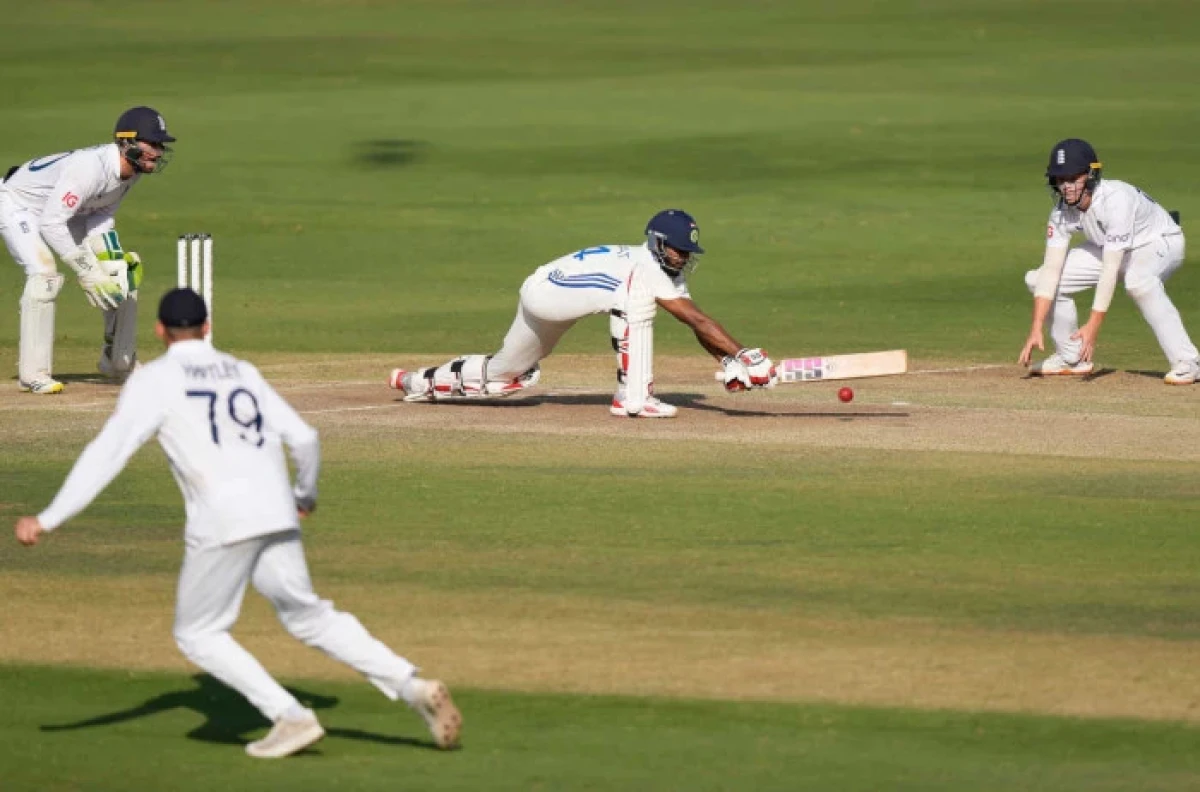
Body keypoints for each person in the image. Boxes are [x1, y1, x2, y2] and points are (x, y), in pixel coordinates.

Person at [14, 288, 462, 759]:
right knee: (309, 615)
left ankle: (290, 717)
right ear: (206, 326)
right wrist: (303, 496)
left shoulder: (154, 381)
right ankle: (412, 687)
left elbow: (108, 455)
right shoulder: (242, 371)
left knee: (198, 633)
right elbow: (305, 438)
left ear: (160, 331)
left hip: (222, 517)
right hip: (275, 508)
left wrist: (49, 517)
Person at [387, 209, 779, 417]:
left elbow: (695, 318)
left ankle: (415, 381)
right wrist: (746, 355)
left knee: (507, 373)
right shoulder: (646, 269)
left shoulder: (662, 271)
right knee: (634, 299)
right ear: (658, 243)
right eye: (678, 249)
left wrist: (728, 361)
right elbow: (694, 320)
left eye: (687, 251)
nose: (684, 256)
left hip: (544, 290)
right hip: (549, 293)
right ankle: (634, 399)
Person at [0, 105, 174, 395]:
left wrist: (108, 260)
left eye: (160, 145)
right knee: (44, 274)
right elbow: (51, 223)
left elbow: (100, 214)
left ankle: (119, 361)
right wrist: (86, 270)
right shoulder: (89, 169)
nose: (157, 152)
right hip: (17, 204)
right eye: (152, 143)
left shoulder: (132, 172)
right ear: (125, 142)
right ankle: (33, 373)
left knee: (119, 273)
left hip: (69, 212)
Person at [1019, 138, 1195, 384]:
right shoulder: (1060, 212)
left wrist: (1092, 326)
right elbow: (1051, 269)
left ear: (1090, 175)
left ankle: (1188, 362)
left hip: (1158, 242)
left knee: (1139, 283)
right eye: (1060, 180)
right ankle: (1072, 357)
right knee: (1037, 279)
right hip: (1109, 245)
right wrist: (1036, 326)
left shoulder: (1116, 200)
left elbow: (1111, 269)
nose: (1066, 187)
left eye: (1072, 178)